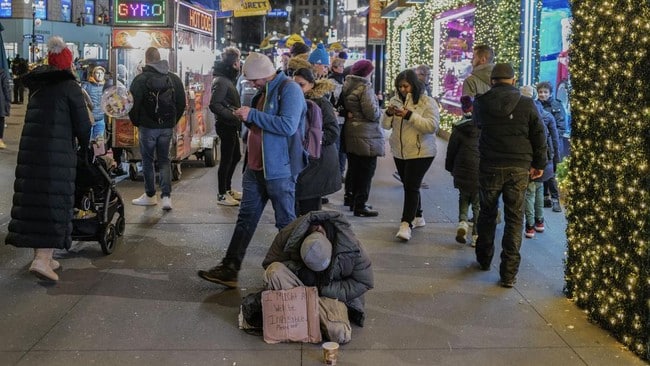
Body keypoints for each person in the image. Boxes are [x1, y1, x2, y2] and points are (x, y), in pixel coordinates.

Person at [197, 52, 308, 288]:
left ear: (263, 74)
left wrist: (253, 114)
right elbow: (263, 125)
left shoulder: (290, 90)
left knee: (285, 224)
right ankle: (230, 268)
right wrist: (247, 118)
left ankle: (292, 276)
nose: (251, 83)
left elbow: (287, 126)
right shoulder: (263, 91)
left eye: (253, 79)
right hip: (255, 169)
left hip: (279, 171)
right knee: (245, 219)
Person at [5, 36, 92, 281]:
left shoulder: (38, 87)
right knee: (52, 202)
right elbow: (83, 126)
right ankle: (42, 260)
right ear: (67, 64)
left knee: (35, 202)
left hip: (32, 154)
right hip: (57, 156)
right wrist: (87, 146)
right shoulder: (69, 87)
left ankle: (46, 256)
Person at [472, 63, 547, 288]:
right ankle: (508, 274)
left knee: (487, 212)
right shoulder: (527, 103)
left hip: (490, 165)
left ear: (492, 81)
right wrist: (539, 163)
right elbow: (538, 134)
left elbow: (477, 126)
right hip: (519, 166)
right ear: (513, 80)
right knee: (515, 219)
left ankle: (484, 258)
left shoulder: (481, 102)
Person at [262, 210, 374, 328]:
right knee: (273, 272)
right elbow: (269, 263)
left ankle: (303, 313)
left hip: (331, 293)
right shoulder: (288, 235)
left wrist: (323, 289)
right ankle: (309, 314)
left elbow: (364, 282)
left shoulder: (351, 246)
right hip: (301, 288)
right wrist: (298, 270)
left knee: (339, 332)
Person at [382, 69, 439, 241]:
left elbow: (432, 126)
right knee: (409, 183)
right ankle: (419, 216)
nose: (402, 90)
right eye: (399, 86)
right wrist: (388, 114)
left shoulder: (427, 102)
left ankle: (406, 224)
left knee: (411, 186)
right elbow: (385, 126)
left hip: (421, 151)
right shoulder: (395, 100)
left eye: (405, 86)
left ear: (414, 85)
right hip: (400, 151)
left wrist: (410, 115)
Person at [128, 47, 186, 211]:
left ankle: (150, 195)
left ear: (147, 60)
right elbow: (181, 102)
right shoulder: (173, 78)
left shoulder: (140, 80)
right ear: (160, 59)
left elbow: (133, 105)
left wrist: (137, 122)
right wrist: (172, 121)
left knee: (147, 160)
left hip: (147, 127)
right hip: (166, 127)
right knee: (164, 160)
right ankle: (166, 197)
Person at [292, 68, 341, 216]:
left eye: (301, 85)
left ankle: (310, 237)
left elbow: (332, 132)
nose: (298, 89)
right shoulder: (296, 101)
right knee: (301, 206)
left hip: (318, 161)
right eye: (295, 85)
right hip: (306, 161)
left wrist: (311, 141)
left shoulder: (320, 103)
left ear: (311, 84)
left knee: (309, 209)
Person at [340, 59, 383, 217]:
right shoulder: (365, 87)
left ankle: (350, 198)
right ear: (367, 72)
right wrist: (379, 107)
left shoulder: (347, 84)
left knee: (354, 167)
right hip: (366, 134)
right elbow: (371, 113)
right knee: (366, 170)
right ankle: (360, 205)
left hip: (351, 131)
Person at [520, 86, 560, 238]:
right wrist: (555, 160)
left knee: (529, 193)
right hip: (544, 159)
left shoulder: (521, 114)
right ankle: (540, 222)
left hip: (528, 159)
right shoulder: (546, 115)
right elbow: (555, 140)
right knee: (539, 189)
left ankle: (529, 226)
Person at [210, 47, 243, 206]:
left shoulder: (226, 79)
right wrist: (232, 114)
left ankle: (227, 189)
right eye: (238, 62)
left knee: (235, 156)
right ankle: (222, 194)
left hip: (230, 124)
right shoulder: (222, 81)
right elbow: (214, 104)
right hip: (225, 124)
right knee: (226, 159)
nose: (240, 64)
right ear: (232, 64)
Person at [445, 95, 480, 246]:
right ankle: (477, 235)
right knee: (478, 204)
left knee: (464, 197)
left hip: (462, 170)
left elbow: (451, 151)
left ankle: (463, 222)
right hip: (480, 172)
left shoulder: (459, 129)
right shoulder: (484, 129)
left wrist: (450, 167)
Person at [536, 81, 566, 212]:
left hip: (553, 145)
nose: (542, 94)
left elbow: (561, 126)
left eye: (545, 92)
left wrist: (549, 137)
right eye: (540, 92)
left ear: (550, 93)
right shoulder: (534, 106)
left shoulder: (557, 105)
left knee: (551, 173)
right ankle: (545, 198)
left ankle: (555, 199)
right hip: (540, 145)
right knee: (542, 171)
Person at [328, 57, 347, 180]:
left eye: (343, 66)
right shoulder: (331, 81)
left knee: (342, 147)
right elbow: (332, 99)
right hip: (337, 118)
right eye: (340, 66)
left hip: (344, 118)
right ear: (334, 67)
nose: (342, 68)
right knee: (337, 146)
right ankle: (336, 173)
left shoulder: (343, 80)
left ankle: (340, 172)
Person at [81, 66, 107, 141]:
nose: (100, 75)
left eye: (102, 73)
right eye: (97, 73)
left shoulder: (106, 87)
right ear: (93, 74)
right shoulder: (86, 86)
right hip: (89, 119)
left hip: (101, 119)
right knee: (87, 142)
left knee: (99, 145)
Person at [0, 66, 10, 149]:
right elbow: (6, 88)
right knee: (0, 119)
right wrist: (7, 102)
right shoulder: (2, 73)